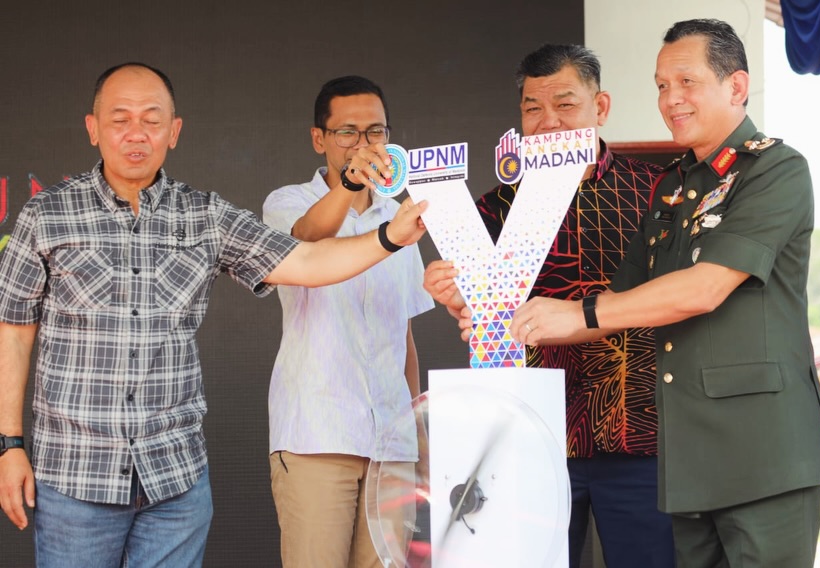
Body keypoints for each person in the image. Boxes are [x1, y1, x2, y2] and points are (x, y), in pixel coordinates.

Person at [0, 62, 427, 568]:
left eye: (152, 119)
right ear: (93, 128)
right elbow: (14, 331)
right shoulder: (45, 214)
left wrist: (389, 237)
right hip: (74, 476)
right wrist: (9, 444)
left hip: (175, 482)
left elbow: (305, 262)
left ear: (174, 131)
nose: (136, 133)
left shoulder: (204, 214)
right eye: (120, 119)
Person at [507, 19, 820, 567]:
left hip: (763, 454)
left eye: (686, 82)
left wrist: (577, 314)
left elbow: (705, 288)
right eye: (661, 86)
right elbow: (622, 299)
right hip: (687, 459)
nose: (670, 99)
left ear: (736, 86)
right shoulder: (673, 187)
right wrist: (512, 319)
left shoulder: (775, 169)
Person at [423, 44, 674, 567]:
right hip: (529, 435)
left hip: (640, 433)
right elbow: (477, 313)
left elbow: (679, 296)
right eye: (533, 108)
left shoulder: (658, 193)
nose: (549, 122)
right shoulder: (492, 208)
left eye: (565, 104)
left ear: (600, 107)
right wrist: (456, 298)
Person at [262, 75, 433, 568]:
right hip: (317, 436)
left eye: (375, 131)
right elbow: (305, 238)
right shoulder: (286, 202)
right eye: (347, 132)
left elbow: (403, 336)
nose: (364, 144)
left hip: (392, 445)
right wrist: (351, 183)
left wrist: (418, 440)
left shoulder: (401, 217)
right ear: (319, 138)